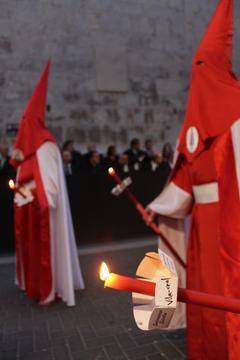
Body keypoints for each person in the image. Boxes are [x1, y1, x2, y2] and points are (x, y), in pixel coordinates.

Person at [146, 0, 240, 358]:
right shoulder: (192, 127)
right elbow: (183, 183)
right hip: (201, 229)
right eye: (194, 66)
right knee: (205, 299)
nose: (197, 73)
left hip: (231, 228)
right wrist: (160, 208)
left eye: (203, 65)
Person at [11, 61, 85, 306]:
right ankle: (31, 285)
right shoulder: (30, 149)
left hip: (42, 210)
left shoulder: (45, 146)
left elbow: (49, 187)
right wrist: (22, 195)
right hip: (28, 207)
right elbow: (24, 176)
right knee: (29, 250)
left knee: (45, 250)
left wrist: (35, 197)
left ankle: (50, 287)